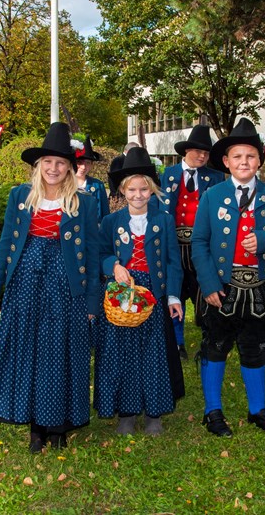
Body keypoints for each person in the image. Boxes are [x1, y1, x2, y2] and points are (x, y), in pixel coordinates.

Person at [0, 122, 101, 453]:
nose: (53, 168)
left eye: (60, 163)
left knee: (60, 354)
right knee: (29, 353)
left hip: (66, 290)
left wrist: (92, 303)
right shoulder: (20, 197)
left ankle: (59, 425)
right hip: (25, 286)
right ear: (38, 165)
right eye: (47, 162)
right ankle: (35, 426)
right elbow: (6, 246)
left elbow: (92, 257)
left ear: (70, 167)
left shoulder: (85, 203)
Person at [191, 118, 265, 437]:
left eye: (250, 156)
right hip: (221, 287)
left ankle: (257, 410)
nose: (244, 162)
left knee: (254, 347)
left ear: (259, 160)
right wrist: (208, 284)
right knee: (216, 346)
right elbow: (198, 242)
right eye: (237, 156)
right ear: (226, 161)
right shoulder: (212, 196)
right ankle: (213, 411)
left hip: (260, 287)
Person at [94, 147, 185, 436]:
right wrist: (114, 266)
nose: (138, 195)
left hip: (153, 296)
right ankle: (127, 412)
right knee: (121, 355)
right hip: (122, 295)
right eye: (131, 189)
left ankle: (154, 412)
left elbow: (173, 261)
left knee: (153, 354)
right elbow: (101, 254)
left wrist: (172, 296)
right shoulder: (111, 222)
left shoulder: (163, 221)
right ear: (122, 190)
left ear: (152, 190)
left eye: (144, 189)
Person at [160, 125, 225, 360]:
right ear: (186, 151)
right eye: (198, 152)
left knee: (204, 290)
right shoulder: (167, 174)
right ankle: (178, 343)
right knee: (175, 291)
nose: (203, 156)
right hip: (174, 245)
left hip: (201, 246)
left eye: (206, 153)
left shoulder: (216, 177)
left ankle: (208, 340)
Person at [73, 135, 110, 221]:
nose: (83, 167)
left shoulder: (97, 185)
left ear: (92, 165)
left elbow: (104, 215)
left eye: (88, 163)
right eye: (79, 162)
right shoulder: (63, 184)